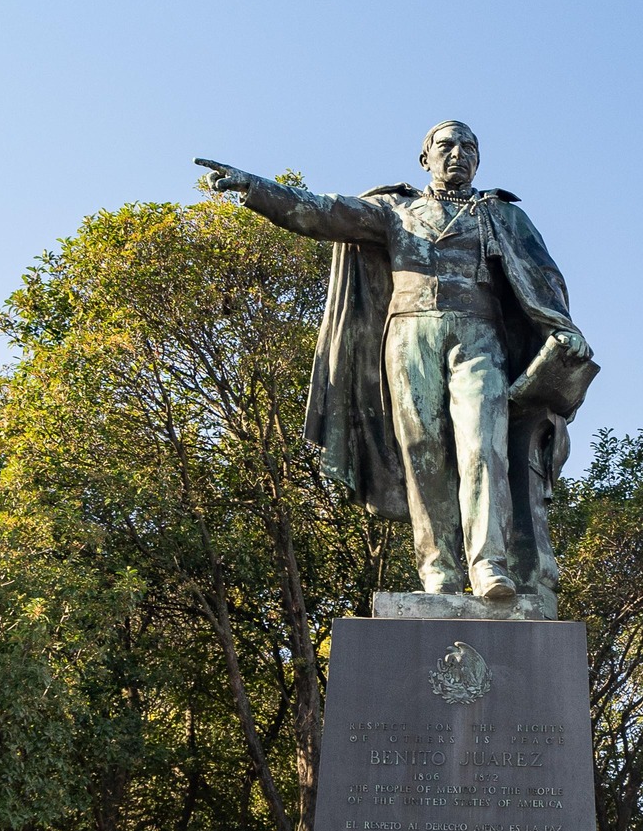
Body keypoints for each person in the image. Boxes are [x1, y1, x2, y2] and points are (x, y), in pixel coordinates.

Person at [198, 123, 595, 614]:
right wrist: (255, 188)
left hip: (480, 336)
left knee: (483, 445)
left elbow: (544, 276)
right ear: (425, 157)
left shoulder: (503, 216)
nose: (458, 154)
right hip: (410, 335)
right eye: (446, 146)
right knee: (423, 452)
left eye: (469, 146)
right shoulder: (395, 209)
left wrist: (562, 325)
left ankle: (489, 563)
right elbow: (324, 211)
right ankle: (440, 572)